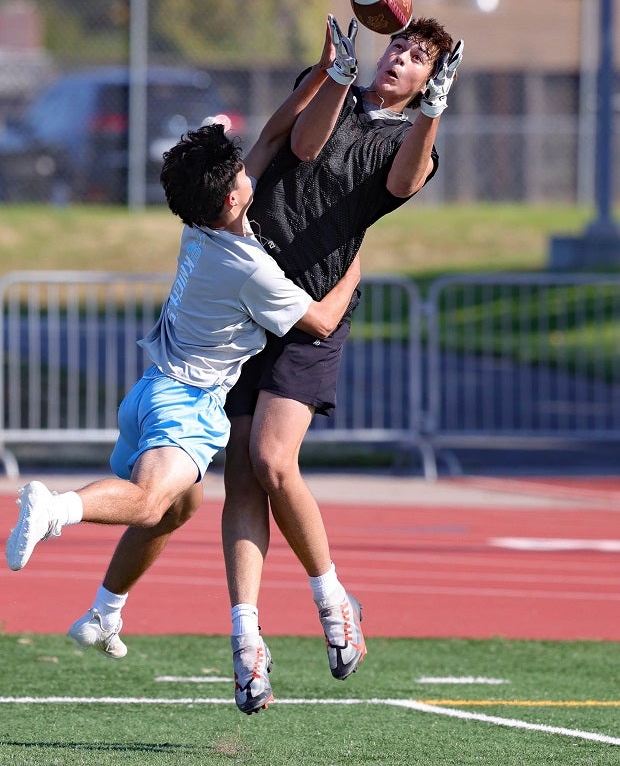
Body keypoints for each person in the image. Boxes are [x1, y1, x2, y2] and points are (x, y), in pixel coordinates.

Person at [58, 13, 464, 715]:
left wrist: (431, 111)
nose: (401, 55)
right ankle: (246, 640)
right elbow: (299, 143)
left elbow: (403, 180)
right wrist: (333, 73)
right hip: (249, 311)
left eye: (420, 56)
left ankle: (333, 598)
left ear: (431, 79)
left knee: (276, 461)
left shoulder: (411, 139)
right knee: (241, 472)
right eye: (400, 43)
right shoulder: (329, 90)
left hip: (310, 309)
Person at [3, 39, 362, 705]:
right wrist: (351, 274)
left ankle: (106, 610)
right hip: (187, 404)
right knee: (146, 499)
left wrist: (326, 73)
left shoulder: (203, 223)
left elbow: (278, 129)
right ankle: (54, 509)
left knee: (176, 508)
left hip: (150, 394)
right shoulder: (247, 265)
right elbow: (315, 322)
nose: (250, 168)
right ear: (231, 198)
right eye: (241, 173)